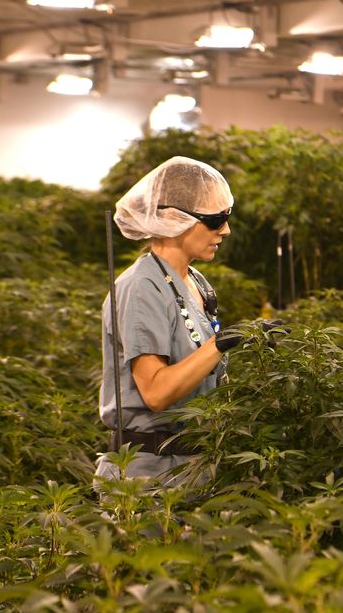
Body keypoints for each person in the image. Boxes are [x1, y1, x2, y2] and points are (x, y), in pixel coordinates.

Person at [96, 156, 271, 483]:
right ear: (174, 218)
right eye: (215, 219)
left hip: (194, 466)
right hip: (150, 478)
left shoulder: (196, 280)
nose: (226, 229)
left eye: (226, 217)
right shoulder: (141, 288)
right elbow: (156, 393)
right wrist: (218, 346)